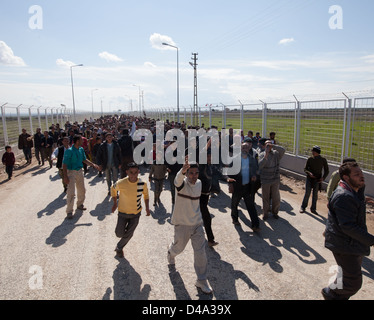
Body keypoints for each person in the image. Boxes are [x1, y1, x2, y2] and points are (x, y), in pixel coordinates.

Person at [322, 161, 374, 300]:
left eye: (361, 173)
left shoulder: (353, 190)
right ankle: (330, 293)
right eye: (357, 174)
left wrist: (361, 189)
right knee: (353, 283)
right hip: (344, 245)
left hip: (351, 243)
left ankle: (335, 293)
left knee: (345, 276)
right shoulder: (344, 196)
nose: (361, 176)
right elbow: (347, 226)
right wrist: (371, 240)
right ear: (346, 177)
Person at [167, 158, 213, 295]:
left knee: (200, 252)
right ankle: (170, 252)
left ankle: (202, 280)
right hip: (182, 224)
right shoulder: (181, 183)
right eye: (191, 173)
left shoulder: (199, 183)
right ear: (187, 174)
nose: (194, 176)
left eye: (196, 173)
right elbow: (177, 181)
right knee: (178, 249)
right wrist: (182, 171)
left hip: (197, 224)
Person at [111, 162, 150, 258]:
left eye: (135, 172)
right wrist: (115, 203)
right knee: (119, 233)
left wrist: (147, 208)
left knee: (129, 233)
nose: (133, 175)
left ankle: (119, 248)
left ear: (138, 172)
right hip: (123, 213)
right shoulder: (121, 183)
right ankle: (123, 238)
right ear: (127, 172)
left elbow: (146, 195)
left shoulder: (142, 184)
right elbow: (113, 189)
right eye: (131, 172)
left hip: (135, 213)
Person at [63, 134, 99, 219]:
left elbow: (84, 159)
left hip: (79, 171)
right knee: (71, 192)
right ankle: (69, 211)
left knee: (82, 189)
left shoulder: (81, 149)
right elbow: (64, 164)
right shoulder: (69, 151)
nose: (83, 142)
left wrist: (93, 164)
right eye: (82, 140)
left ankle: (80, 204)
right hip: (71, 172)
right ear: (77, 141)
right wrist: (65, 176)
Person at [227, 140, 260, 231]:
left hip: (247, 187)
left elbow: (256, 170)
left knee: (251, 206)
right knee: (234, 204)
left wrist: (254, 176)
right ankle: (235, 218)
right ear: (240, 149)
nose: (245, 149)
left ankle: (255, 225)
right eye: (243, 147)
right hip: (237, 186)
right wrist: (230, 184)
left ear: (249, 148)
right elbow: (229, 172)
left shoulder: (252, 159)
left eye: (246, 147)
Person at [258, 139, 285, 220]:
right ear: (264, 146)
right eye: (267, 145)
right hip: (265, 180)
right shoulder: (262, 154)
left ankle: (275, 212)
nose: (268, 146)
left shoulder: (276, 154)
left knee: (276, 198)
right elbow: (260, 165)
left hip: (275, 179)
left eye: (270, 145)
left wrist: (273, 146)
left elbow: (283, 150)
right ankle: (265, 213)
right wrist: (266, 155)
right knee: (265, 198)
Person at [300, 146, 329, 215]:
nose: (312, 152)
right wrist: (309, 173)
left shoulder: (323, 160)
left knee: (315, 195)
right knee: (307, 193)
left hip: (317, 180)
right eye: (312, 151)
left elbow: (327, 170)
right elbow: (305, 169)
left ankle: (313, 209)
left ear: (317, 152)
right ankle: (303, 207)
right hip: (309, 178)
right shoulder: (310, 159)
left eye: (314, 151)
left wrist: (323, 178)